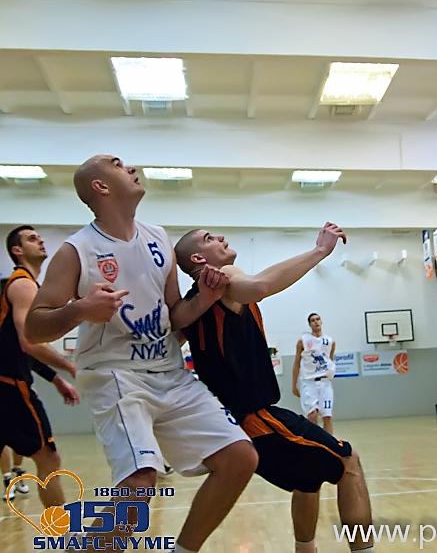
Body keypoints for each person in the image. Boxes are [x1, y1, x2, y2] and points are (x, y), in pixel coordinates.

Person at [26, 155, 257, 553]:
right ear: (100, 187)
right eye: (118, 164)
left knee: (240, 458)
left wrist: (204, 298)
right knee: (138, 486)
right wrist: (80, 309)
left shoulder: (159, 238)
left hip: (169, 372)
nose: (130, 167)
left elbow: (174, 315)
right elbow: (33, 327)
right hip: (115, 375)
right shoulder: (77, 250)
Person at [175, 224, 375, 553]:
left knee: (307, 479)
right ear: (198, 258)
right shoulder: (225, 278)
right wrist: (320, 251)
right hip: (254, 418)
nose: (221, 237)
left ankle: (305, 549)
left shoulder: (191, 305)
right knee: (348, 461)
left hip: (233, 422)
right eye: (209, 238)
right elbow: (260, 286)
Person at [0, 225, 80, 508]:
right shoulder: (23, 284)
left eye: (40, 237)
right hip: (9, 388)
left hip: (9, 383)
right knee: (48, 458)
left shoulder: (21, 286)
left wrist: (56, 379)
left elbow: (17, 345)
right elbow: (30, 343)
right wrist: (71, 367)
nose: (41, 241)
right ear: (17, 250)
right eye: (32, 239)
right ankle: (62, 531)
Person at [2, 355, 79, 501]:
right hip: (11, 392)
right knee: (48, 459)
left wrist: (56, 378)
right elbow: (30, 348)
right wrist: (68, 368)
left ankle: (14, 473)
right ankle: (56, 517)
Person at [292, 312, 336, 434]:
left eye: (318, 319)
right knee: (312, 415)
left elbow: (330, 359)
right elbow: (296, 363)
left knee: (327, 416)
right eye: (313, 320)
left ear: (321, 322)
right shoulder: (303, 341)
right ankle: (315, 442)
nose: (316, 322)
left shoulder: (330, 341)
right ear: (310, 324)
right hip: (309, 382)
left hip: (325, 382)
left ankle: (330, 443)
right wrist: (294, 385)